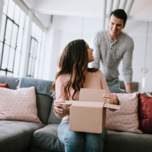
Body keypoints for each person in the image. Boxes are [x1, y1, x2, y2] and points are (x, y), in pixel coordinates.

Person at [52, 39, 119, 152]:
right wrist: (58, 109)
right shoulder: (62, 78)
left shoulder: (98, 74)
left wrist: (114, 102)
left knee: (93, 138)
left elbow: (110, 106)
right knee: (74, 137)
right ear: (79, 53)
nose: (92, 49)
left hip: (95, 122)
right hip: (69, 122)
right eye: (88, 47)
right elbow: (61, 113)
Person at [90, 9, 134, 93]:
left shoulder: (128, 42)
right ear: (108, 22)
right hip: (98, 79)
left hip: (114, 82)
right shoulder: (98, 36)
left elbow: (127, 69)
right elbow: (94, 64)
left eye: (118, 25)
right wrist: (92, 85)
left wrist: (130, 96)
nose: (114, 28)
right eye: (112, 23)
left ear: (123, 25)